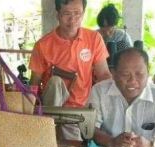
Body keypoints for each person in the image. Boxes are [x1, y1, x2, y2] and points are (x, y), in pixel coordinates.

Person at [29, 0, 111, 139]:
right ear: (57, 15)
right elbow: (34, 84)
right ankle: (50, 129)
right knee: (55, 81)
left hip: (81, 109)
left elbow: (104, 75)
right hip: (52, 109)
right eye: (67, 14)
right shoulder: (43, 45)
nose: (72, 20)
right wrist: (29, 115)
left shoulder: (94, 39)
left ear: (83, 14)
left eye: (77, 13)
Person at [89, 48, 155, 147]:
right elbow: (90, 129)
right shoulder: (99, 91)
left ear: (148, 71)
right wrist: (111, 142)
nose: (132, 80)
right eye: (125, 74)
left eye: (139, 74)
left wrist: (151, 145)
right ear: (113, 74)